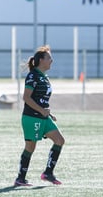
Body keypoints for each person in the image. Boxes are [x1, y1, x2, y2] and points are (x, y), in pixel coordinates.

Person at [14, 45, 65, 186]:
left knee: (60, 140)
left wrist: (48, 113)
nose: (52, 60)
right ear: (41, 60)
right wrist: (42, 111)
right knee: (30, 147)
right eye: (49, 57)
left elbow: (40, 99)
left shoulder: (44, 77)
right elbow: (26, 97)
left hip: (43, 117)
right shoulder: (33, 75)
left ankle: (48, 173)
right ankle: (20, 178)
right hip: (31, 117)